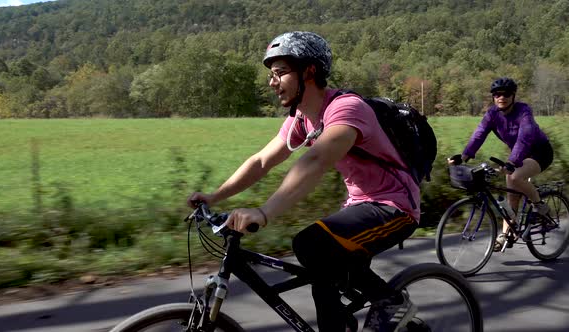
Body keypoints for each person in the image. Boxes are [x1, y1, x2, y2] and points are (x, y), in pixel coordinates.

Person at [187, 31, 420, 332]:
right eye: (271, 75)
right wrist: (213, 197)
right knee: (322, 260)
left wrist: (264, 212)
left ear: (309, 71)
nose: (272, 82)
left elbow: (315, 161)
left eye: (280, 73)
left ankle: (391, 302)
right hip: (360, 204)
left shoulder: (347, 109)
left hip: (395, 206)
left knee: (312, 244)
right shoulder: (302, 119)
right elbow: (261, 161)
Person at [449, 77, 554, 251]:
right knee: (511, 192)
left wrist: (512, 161)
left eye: (505, 94)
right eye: (497, 94)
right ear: (493, 97)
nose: (501, 97)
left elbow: (524, 137)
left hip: (539, 153)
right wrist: (464, 156)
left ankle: (539, 206)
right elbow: (479, 133)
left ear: (513, 96)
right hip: (519, 155)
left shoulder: (523, 111)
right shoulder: (493, 114)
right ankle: (506, 234)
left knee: (514, 176)